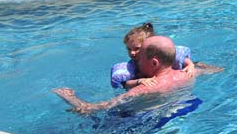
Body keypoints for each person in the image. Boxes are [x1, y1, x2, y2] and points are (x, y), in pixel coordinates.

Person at [53, 36, 202, 115]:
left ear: (154, 63)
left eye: (140, 58)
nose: (135, 61)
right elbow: (218, 69)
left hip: (144, 120)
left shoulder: (145, 88)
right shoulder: (189, 73)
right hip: (182, 107)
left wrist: (69, 97)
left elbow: (94, 108)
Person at [111, 22, 221, 89]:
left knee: (198, 66)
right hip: (150, 79)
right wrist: (138, 81)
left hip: (171, 69)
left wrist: (190, 66)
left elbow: (183, 58)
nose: (132, 53)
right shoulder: (132, 65)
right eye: (129, 49)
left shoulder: (167, 52)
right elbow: (125, 83)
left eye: (137, 49)